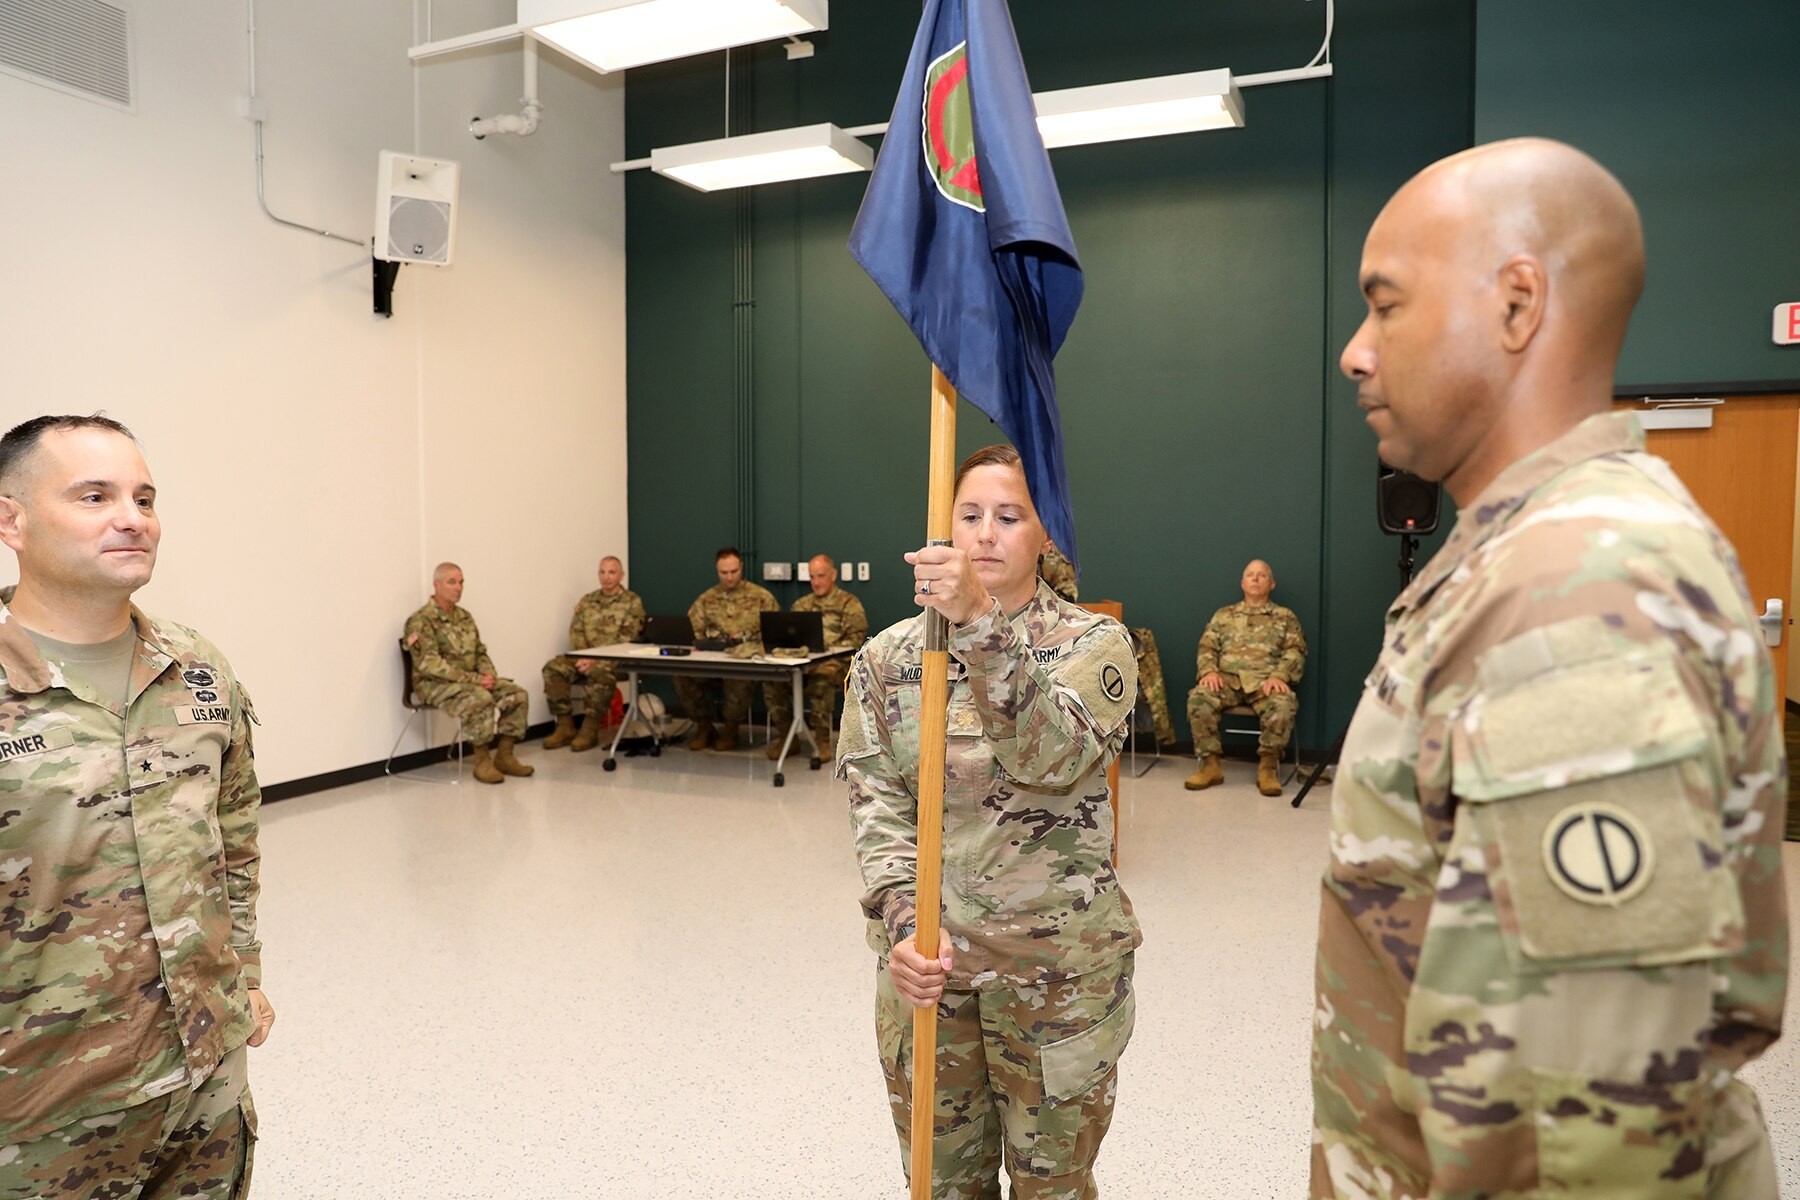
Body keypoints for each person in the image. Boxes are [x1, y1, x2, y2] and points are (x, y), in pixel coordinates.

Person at [1314, 138, 1788, 1197]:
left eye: (1385, 306)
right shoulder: (1522, 556)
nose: (1354, 350)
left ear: (1518, 306)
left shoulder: (1577, 588)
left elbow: (1591, 1121)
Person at [842, 444, 1140, 1200]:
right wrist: (907, 928)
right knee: (944, 1188)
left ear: (1046, 535)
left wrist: (978, 620)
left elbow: (1053, 756)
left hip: (1054, 983)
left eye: (1009, 518)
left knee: (1054, 1187)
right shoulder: (886, 661)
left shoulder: (1093, 645)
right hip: (931, 980)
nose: (984, 535)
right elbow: (878, 814)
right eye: (969, 516)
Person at [0, 415, 274, 1199]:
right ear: (10, 519)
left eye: (145, 498)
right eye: (95, 495)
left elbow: (234, 835)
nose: (133, 518)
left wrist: (244, 975)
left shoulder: (194, 668)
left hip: (204, 1078)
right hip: (40, 1108)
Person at [404, 563, 533, 786]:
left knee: (517, 694)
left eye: (461, 582)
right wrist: (475, 680)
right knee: (480, 699)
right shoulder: (421, 620)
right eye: (451, 582)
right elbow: (430, 664)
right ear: (436, 585)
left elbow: (479, 651)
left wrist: (488, 674)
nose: (458, 588)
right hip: (434, 684)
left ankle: (505, 756)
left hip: (469, 681)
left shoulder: (465, 617)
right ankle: (482, 761)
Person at [1184, 559, 1306, 796]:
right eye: (1251, 574)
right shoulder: (1224, 615)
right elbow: (1207, 647)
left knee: (1284, 703)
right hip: (1227, 681)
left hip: (1266, 682)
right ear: (1242, 583)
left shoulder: (1285, 617)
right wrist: (1209, 671)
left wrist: (1280, 675)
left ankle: (1268, 768)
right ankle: (1210, 766)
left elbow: (1296, 650)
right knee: (1199, 698)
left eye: (1262, 575)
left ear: (1272, 584)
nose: (1256, 578)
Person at [763, 553, 867, 761]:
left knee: (822, 678)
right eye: (812, 577)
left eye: (821, 576)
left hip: (836, 662)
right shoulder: (801, 605)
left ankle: (822, 740)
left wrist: (830, 650)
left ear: (833, 575)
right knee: (773, 681)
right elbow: (789, 637)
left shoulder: (848, 603)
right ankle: (787, 738)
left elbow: (857, 640)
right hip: (802, 661)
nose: (816, 582)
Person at [676, 547, 777, 752]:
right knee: (681, 674)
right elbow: (693, 631)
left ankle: (731, 730)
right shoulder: (706, 600)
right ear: (717, 570)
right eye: (724, 573)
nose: (729, 577)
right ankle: (704, 727)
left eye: (733, 571)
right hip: (711, 661)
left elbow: (774, 635)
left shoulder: (761, 598)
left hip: (744, 663)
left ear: (741, 567)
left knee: (738, 677)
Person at [541, 555, 645, 753]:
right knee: (553, 668)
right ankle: (565, 726)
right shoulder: (588, 600)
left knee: (600, 673)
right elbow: (576, 630)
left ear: (621, 575)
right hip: (584, 656)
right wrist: (583, 656)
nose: (606, 577)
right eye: (602, 572)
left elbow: (628, 637)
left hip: (616, 661)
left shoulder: (632, 602)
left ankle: (589, 728)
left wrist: (596, 659)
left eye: (612, 572)